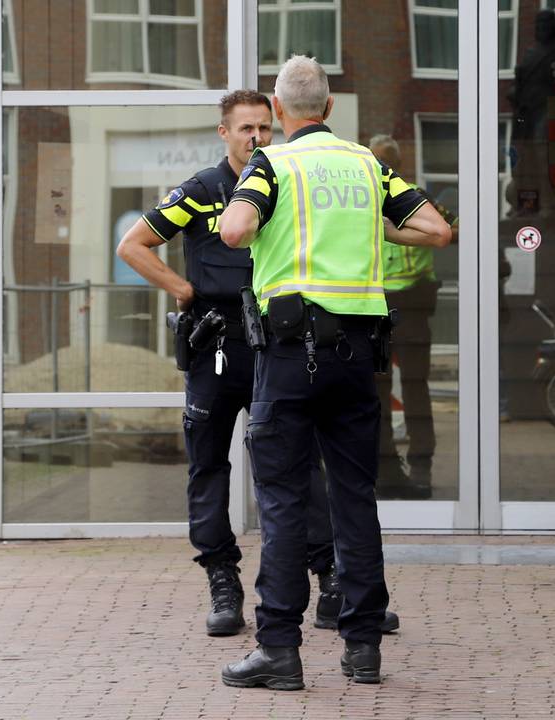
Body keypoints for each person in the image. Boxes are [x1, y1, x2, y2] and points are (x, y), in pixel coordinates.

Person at [115, 90, 397, 640]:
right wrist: (183, 289)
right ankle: (222, 580)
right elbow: (134, 244)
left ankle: (330, 583)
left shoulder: (288, 180)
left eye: (264, 127)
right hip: (219, 347)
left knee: (303, 467)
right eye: (246, 129)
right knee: (208, 465)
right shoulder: (202, 190)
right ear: (224, 132)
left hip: (282, 347)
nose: (257, 138)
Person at [218, 56, 450, 690]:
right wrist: (366, 228)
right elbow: (434, 228)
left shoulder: (272, 164)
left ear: (277, 109)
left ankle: (279, 651)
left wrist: (243, 221)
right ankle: (364, 647)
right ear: (330, 107)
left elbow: (236, 230)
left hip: (291, 358)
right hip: (358, 356)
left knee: (285, 502)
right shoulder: (367, 164)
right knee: (355, 499)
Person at [367, 134, 449, 500]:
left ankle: (420, 466)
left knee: (414, 388)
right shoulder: (367, 200)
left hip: (411, 306)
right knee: (379, 392)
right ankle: (387, 467)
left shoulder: (416, 201)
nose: (379, 168)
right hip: (378, 306)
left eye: (382, 162)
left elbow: (452, 232)